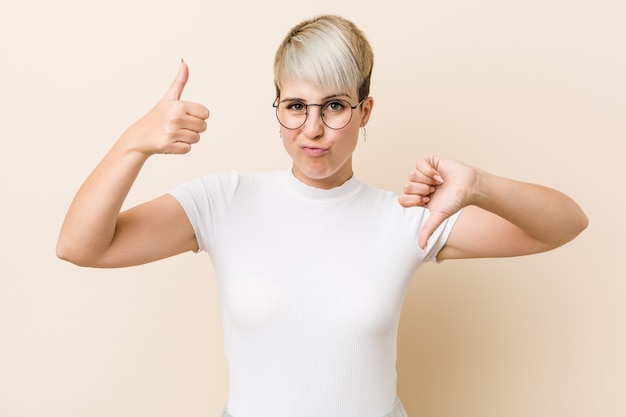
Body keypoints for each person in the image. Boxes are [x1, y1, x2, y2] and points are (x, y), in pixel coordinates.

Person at [56, 14, 588, 417]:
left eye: (334, 105)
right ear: (278, 107)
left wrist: (478, 186)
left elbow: (566, 224)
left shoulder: (405, 219)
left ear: (365, 111)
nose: (312, 129)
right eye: (295, 105)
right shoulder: (223, 201)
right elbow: (81, 246)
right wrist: (135, 144)